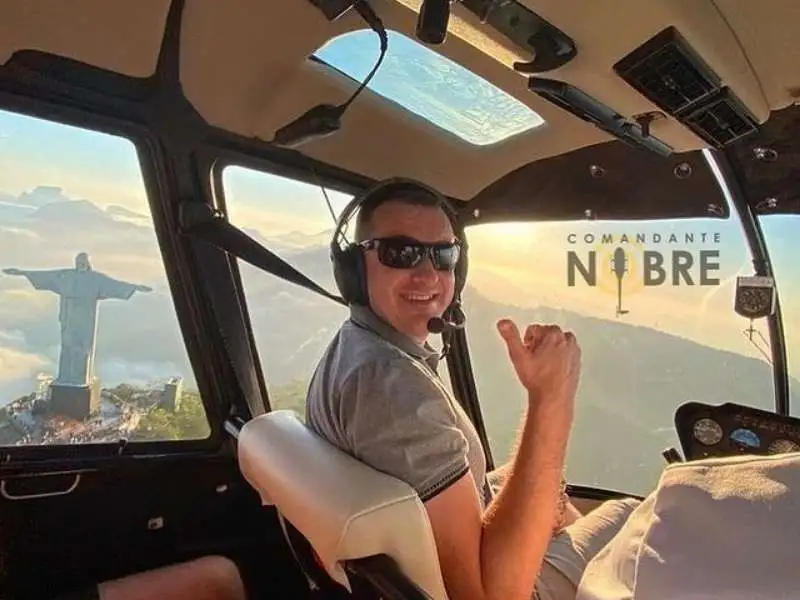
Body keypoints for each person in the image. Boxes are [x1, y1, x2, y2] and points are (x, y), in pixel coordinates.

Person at [306, 178, 639, 600]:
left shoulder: (357, 348)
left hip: (423, 554)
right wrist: (551, 397)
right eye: (400, 253)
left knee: (553, 498)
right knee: (629, 515)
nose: (428, 273)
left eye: (443, 255)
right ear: (355, 269)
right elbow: (488, 594)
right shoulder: (393, 388)